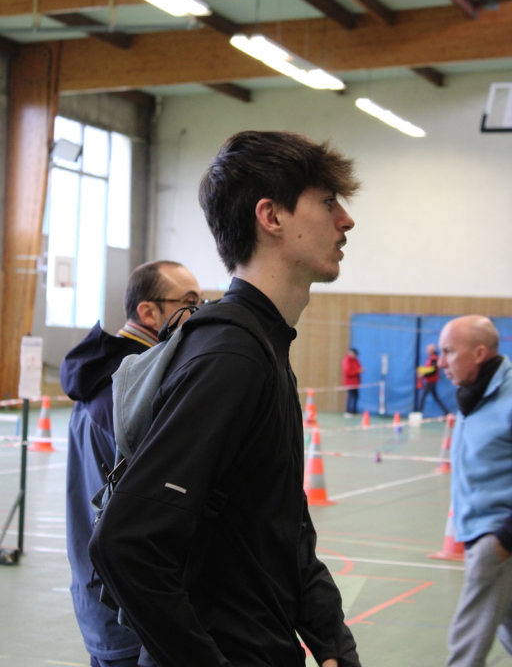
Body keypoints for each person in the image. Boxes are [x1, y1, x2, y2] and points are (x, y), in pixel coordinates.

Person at [89, 130, 362, 667]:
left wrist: (332, 643)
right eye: (329, 202)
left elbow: (283, 529)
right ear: (271, 216)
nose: (345, 219)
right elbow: (126, 544)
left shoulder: (262, 346)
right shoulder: (232, 356)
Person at [62, 261, 202, 667]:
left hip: (105, 593)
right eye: (188, 303)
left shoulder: (110, 374)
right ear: (148, 312)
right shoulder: (129, 389)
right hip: (127, 606)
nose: (197, 314)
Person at [438, 315, 512, 667]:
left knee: (466, 647)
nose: (441, 362)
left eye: (449, 352)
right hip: (481, 537)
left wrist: (502, 541)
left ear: (480, 353)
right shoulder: (474, 393)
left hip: (497, 542)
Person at [417, 343, 449, 414]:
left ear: (431, 350)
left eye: (428, 349)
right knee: (436, 398)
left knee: (423, 397)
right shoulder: (431, 358)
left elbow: (433, 370)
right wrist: (421, 371)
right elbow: (429, 369)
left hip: (431, 381)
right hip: (430, 380)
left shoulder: (434, 358)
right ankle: (447, 412)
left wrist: (423, 374)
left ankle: (419, 413)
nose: (426, 351)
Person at [342, 347, 363, 416]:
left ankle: (354, 411)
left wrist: (360, 370)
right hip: (350, 382)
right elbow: (348, 372)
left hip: (356, 382)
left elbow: (358, 367)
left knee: (356, 396)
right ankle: (348, 411)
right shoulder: (347, 360)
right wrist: (357, 371)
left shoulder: (355, 360)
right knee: (350, 397)